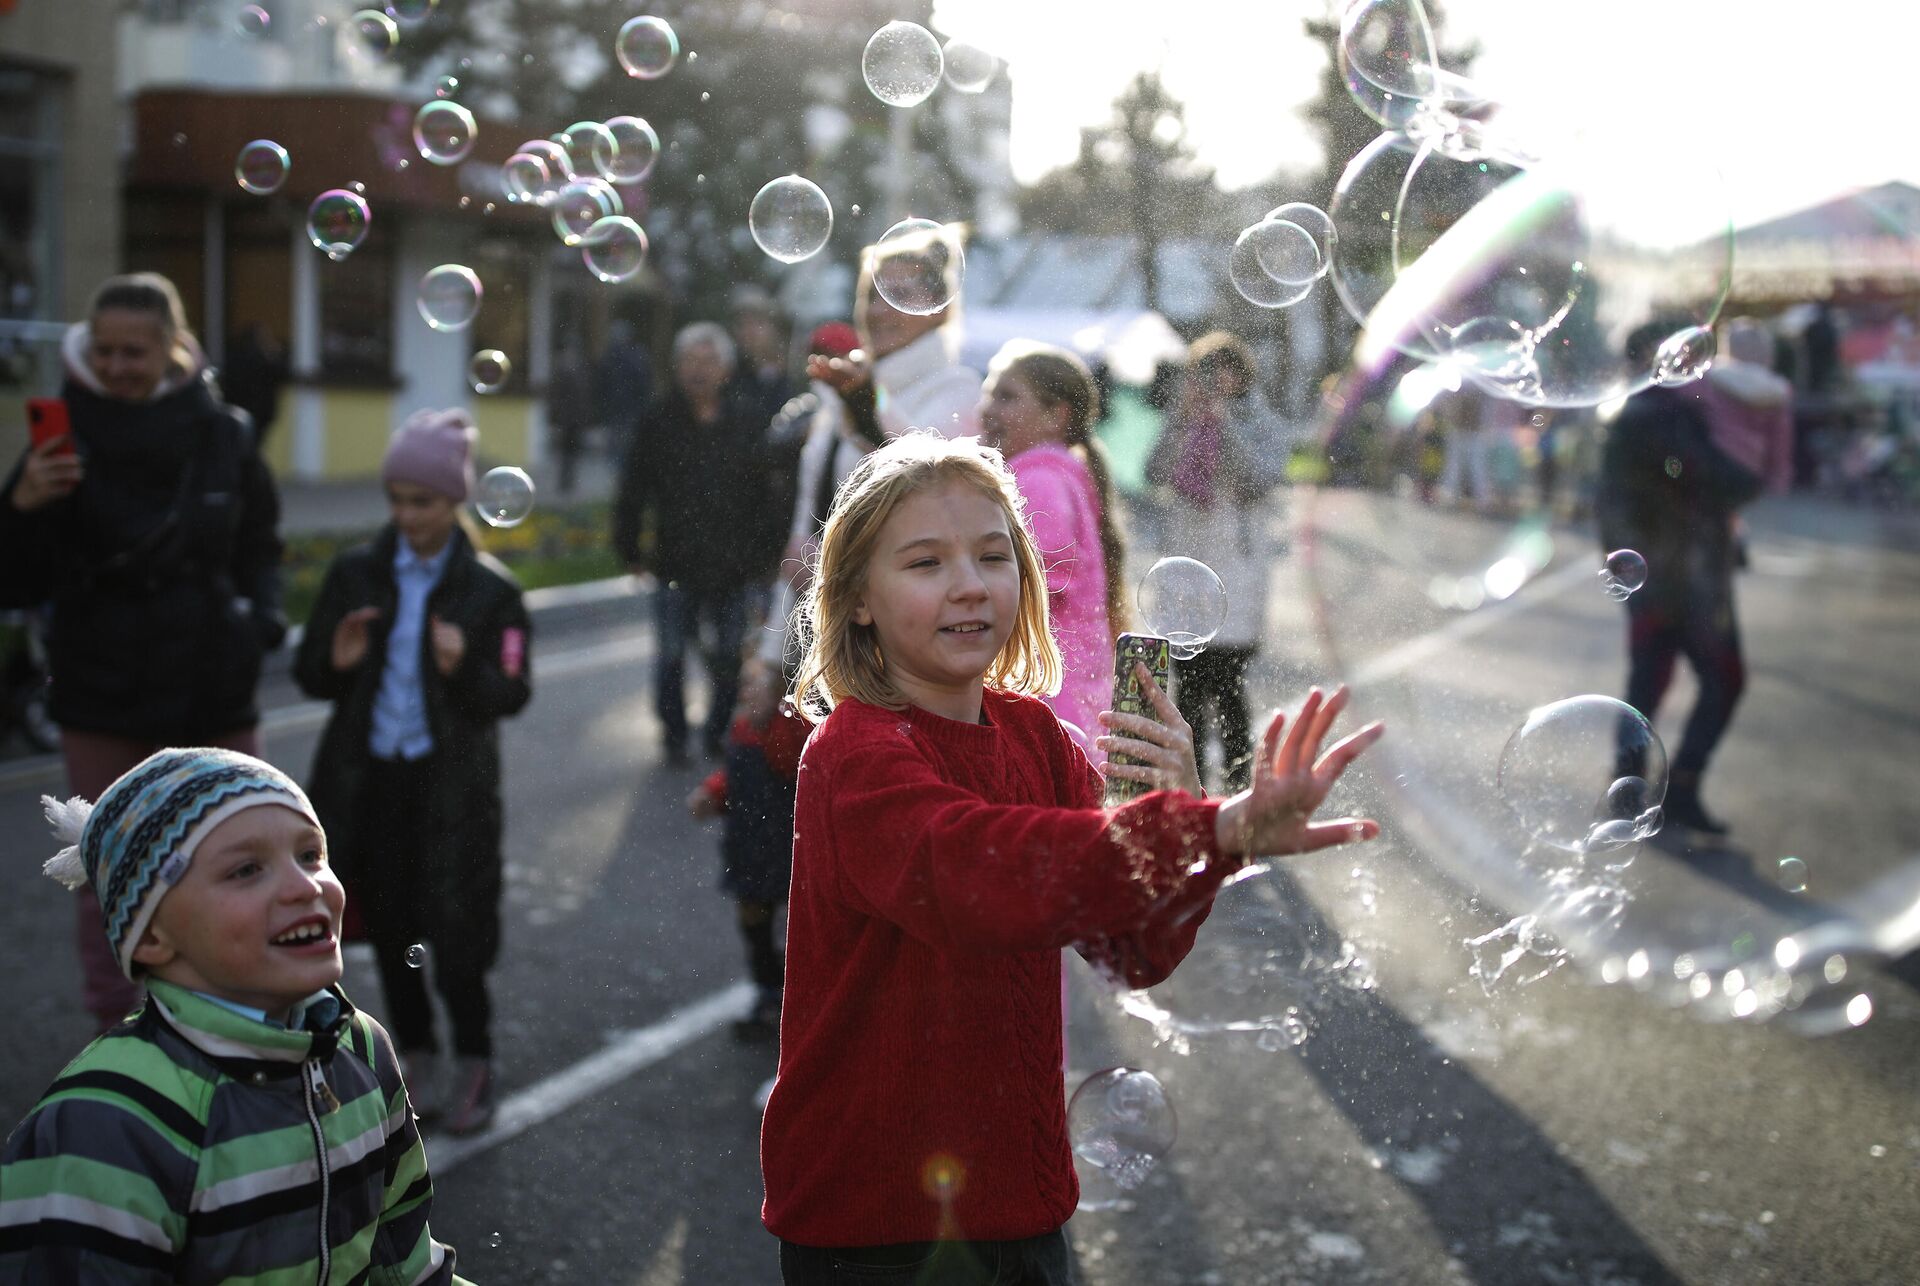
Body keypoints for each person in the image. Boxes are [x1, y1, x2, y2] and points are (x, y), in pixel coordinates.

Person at [760, 432, 1384, 1283]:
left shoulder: (1038, 739)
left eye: (992, 555)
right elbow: (978, 873)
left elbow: (1133, 948)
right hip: (876, 1220)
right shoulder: (852, 756)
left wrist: (1190, 836)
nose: (970, 584)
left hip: (1019, 1198)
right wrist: (1206, 831)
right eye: (925, 563)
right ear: (857, 598)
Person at [2, 747, 469, 1283]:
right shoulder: (106, 1119)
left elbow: (403, 1258)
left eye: (311, 855)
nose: (305, 885)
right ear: (151, 933)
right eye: (247, 869)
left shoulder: (360, 1048)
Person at [0, 271, 285, 1034]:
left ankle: (245, 1021)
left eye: (137, 349)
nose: (120, 364)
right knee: (109, 872)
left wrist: (263, 619)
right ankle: (121, 1035)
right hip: (101, 690)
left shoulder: (224, 432)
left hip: (212, 684)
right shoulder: (60, 436)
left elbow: (260, 544)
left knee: (241, 856)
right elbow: (16, 579)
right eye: (106, 350)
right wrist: (22, 505)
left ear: (173, 348)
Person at [294, 409, 533, 1135]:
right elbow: (311, 675)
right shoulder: (356, 572)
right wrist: (332, 663)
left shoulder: (493, 591)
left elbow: (513, 692)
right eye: (395, 498)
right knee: (395, 929)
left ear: (454, 499)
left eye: (421, 501)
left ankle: (476, 1059)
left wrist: (465, 667)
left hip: (452, 790)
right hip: (374, 783)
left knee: (456, 936)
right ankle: (417, 1058)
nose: (406, 515)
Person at [1598, 321, 1764, 837]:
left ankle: (1631, 791)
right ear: (1658, 355)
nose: (1699, 361)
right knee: (1719, 679)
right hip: (1680, 580)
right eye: (1688, 350)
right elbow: (1715, 477)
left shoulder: (1652, 409)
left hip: (1666, 575)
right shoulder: (1657, 415)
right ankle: (1672, 789)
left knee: (1648, 684)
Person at [613, 322, 775, 763]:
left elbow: (767, 495)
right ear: (676, 367)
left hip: (734, 564)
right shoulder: (658, 419)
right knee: (670, 655)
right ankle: (674, 735)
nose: (697, 370)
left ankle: (718, 732)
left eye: (707, 361)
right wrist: (628, 547)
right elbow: (633, 489)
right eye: (689, 361)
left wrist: (766, 555)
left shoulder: (747, 418)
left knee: (728, 656)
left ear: (725, 368)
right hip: (675, 561)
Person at [1147, 331, 1298, 793]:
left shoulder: (1261, 422)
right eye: (1204, 372)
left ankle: (1237, 787)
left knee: (1228, 681)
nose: (1213, 382)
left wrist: (1223, 425)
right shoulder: (1182, 419)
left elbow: (1259, 481)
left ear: (1241, 374)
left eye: (1222, 371)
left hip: (1237, 568)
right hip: (1185, 567)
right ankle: (1190, 789)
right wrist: (1182, 423)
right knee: (1187, 684)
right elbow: (1154, 472)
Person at [979, 340, 1128, 746]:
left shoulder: (1037, 481)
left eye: (1007, 397)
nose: (988, 409)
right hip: (1069, 694)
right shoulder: (1056, 474)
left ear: (1055, 416)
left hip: (1050, 696)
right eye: (989, 393)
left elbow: (1033, 582)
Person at [687, 655, 811, 1040]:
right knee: (754, 922)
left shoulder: (788, 732)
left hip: (784, 849)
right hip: (749, 847)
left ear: (778, 696)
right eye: (745, 685)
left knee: (792, 932)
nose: (744, 692)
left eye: (754, 685)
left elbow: (788, 761)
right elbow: (738, 777)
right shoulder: (743, 729)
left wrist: (778, 714)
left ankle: (799, 1003)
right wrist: (714, 793)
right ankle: (768, 991)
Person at [219, 321, 290, 448]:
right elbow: (281, 374)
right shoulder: (265, 359)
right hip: (259, 411)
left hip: (240, 408)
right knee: (252, 446)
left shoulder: (236, 357)